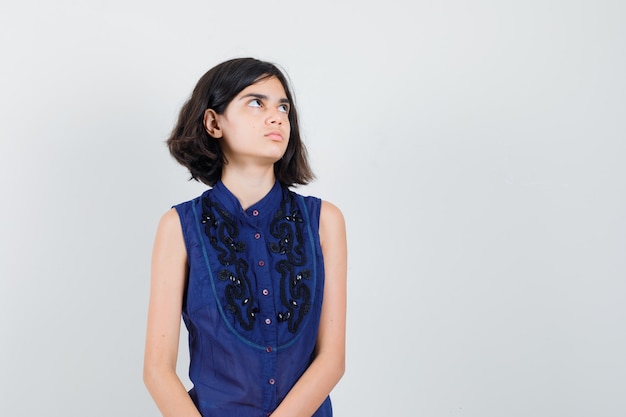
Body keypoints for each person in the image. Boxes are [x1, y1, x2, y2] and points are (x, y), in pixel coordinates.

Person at [143, 57, 347, 417]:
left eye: (283, 106)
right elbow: (157, 370)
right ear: (213, 122)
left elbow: (331, 360)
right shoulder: (179, 226)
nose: (277, 116)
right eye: (257, 102)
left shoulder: (324, 221)